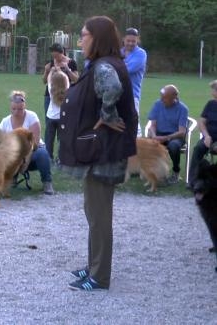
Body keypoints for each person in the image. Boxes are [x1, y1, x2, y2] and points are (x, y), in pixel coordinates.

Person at [59, 16, 137, 291]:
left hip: (105, 154)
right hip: (102, 153)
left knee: (99, 214)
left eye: (84, 35)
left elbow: (113, 89)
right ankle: (94, 266)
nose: (80, 41)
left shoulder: (104, 66)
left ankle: (99, 276)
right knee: (93, 212)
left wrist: (107, 115)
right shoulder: (103, 64)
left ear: (98, 38)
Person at [0, 90, 54, 195]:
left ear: (25, 106)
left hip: (33, 152)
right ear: (10, 107)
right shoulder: (4, 122)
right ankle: (9, 179)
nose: (16, 112)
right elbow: (2, 146)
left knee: (43, 154)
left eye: (20, 109)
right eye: (14, 109)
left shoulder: (32, 117)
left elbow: (35, 143)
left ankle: (47, 182)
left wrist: (26, 160)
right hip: (14, 154)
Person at [42, 43, 79, 161]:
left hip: (66, 97)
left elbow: (76, 80)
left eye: (56, 55)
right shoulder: (51, 63)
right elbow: (44, 81)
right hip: (50, 97)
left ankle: (61, 156)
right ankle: (49, 156)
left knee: (62, 128)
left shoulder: (71, 63)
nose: (54, 58)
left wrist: (67, 70)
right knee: (50, 128)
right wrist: (47, 71)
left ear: (61, 53)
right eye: (53, 55)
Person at [146, 84, 189, 184]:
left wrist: (167, 137)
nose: (162, 100)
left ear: (173, 98)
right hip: (159, 134)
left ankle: (176, 172)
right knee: (147, 144)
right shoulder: (157, 104)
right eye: (161, 97)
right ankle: (152, 172)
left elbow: (182, 132)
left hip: (175, 136)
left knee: (173, 146)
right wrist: (154, 135)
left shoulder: (183, 109)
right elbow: (152, 125)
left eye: (164, 98)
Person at [187, 80, 217, 188]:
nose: (212, 93)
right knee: (198, 148)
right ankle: (193, 181)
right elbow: (202, 122)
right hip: (209, 137)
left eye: (213, 90)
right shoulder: (210, 104)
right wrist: (206, 135)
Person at [122, 27, 148, 137]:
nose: (131, 43)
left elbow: (126, 70)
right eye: (128, 40)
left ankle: (139, 151)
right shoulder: (119, 52)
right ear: (124, 40)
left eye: (133, 41)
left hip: (132, 96)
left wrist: (115, 67)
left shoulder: (141, 54)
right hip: (116, 95)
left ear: (138, 40)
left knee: (133, 128)